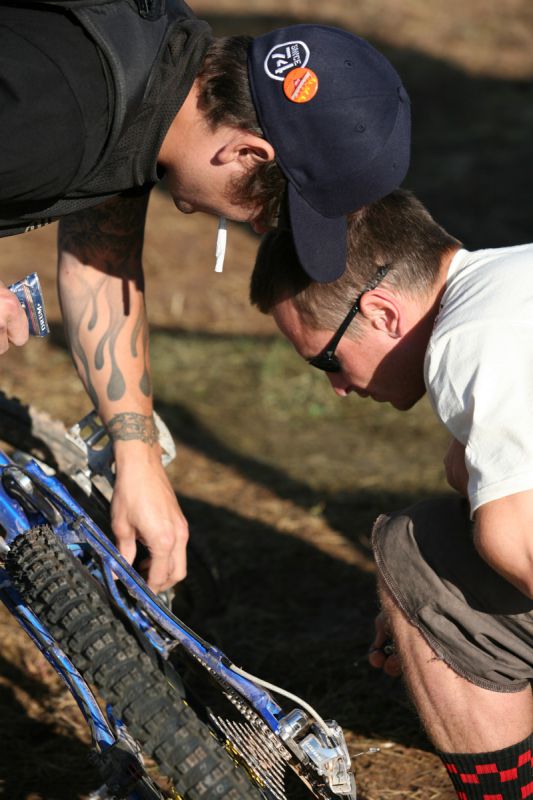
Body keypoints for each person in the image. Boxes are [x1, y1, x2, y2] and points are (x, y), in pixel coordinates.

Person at [0, 0, 411, 592]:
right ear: (248, 153)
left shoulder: (155, 78)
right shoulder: (57, 115)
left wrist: (135, 453)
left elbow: (101, 260)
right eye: (269, 211)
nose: (258, 227)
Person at [250, 190, 533, 799]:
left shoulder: (471, 338)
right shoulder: (513, 277)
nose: (337, 388)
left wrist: (429, 599)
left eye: (326, 358)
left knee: (416, 550)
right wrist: (429, 613)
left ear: (379, 312)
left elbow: (521, 542)